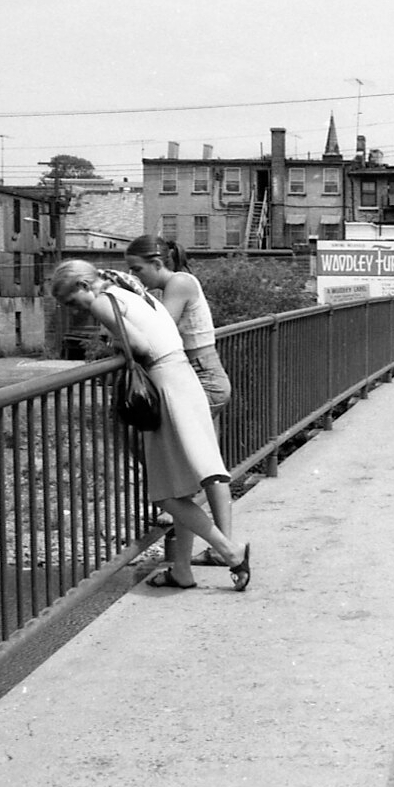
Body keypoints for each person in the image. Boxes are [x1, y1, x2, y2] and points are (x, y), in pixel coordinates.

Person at [51, 259, 250, 592]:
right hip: (183, 377)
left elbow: (140, 346)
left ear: (84, 287)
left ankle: (231, 552)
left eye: (72, 302)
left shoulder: (103, 301)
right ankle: (182, 571)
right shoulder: (130, 291)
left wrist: (115, 346)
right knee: (182, 486)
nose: (75, 310)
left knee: (166, 495)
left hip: (165, 385)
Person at [123, 235, 234, 567]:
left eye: (137, 269)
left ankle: (204, 541)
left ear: (158, 264)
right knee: (207, 464)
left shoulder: (180, 283)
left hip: (201, 377)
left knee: (196, 466)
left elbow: (161, 331)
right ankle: (217, 545)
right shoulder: (176, 284)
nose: (135, 276)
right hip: (201, 376)